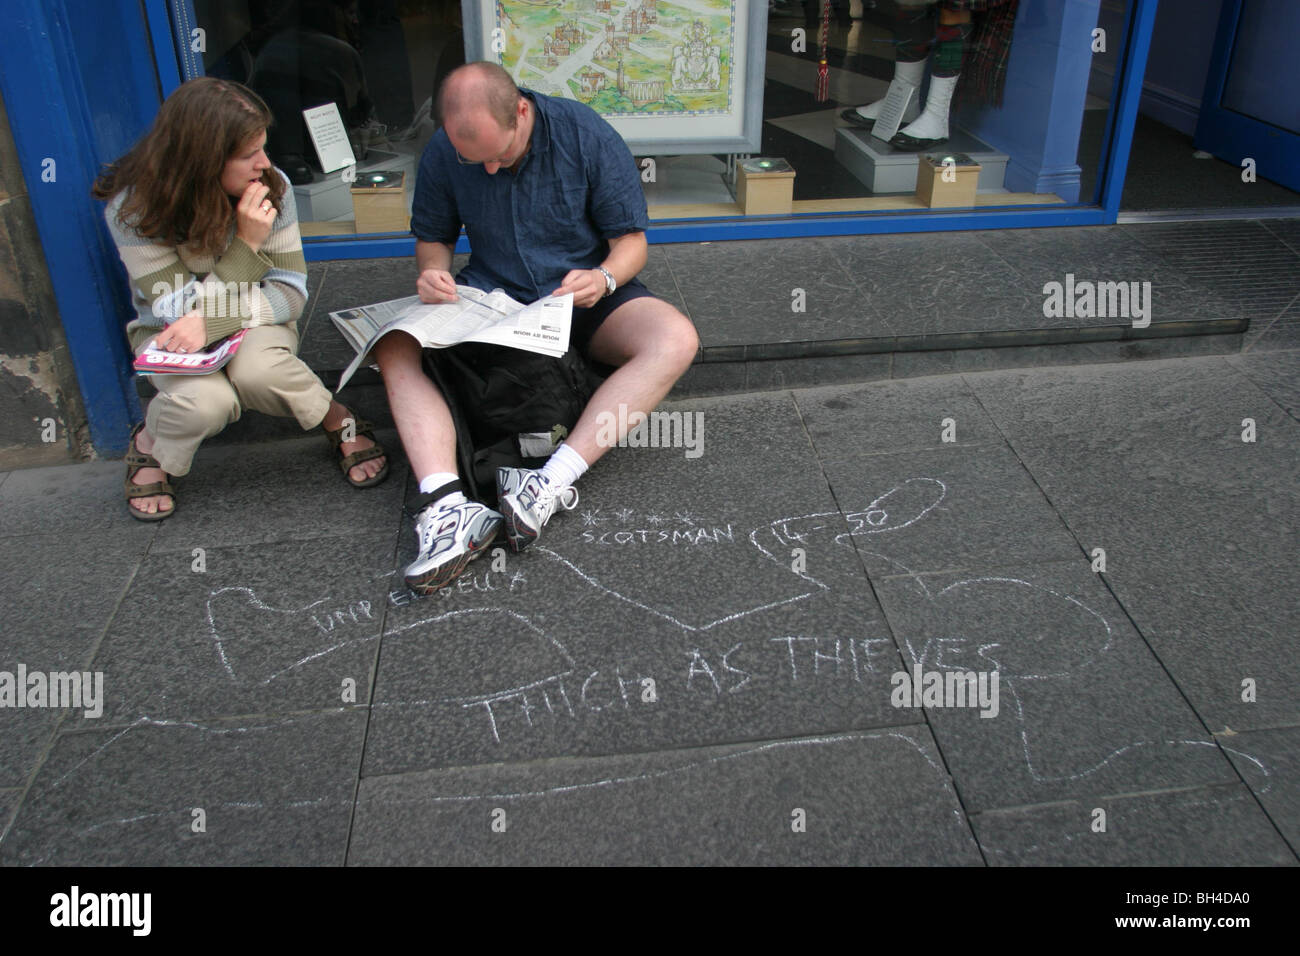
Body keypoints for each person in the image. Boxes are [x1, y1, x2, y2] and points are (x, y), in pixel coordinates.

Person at [374, 61, 699, 594]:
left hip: (580, 293)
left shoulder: (584, 133)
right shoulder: (444, 149)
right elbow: (433, 237)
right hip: (491, 293)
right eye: (475, 161)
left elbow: (632, 244)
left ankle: (547, 484)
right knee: (394, 345)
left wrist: (603, 278)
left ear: (521, 110)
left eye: (501, 155)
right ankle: (449, 507)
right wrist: (431, 272)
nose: (493, 170)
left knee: (675, 338)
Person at [94, 76, 388, 521]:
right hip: (170, 335)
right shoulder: (132, 208)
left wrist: (209, 322)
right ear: (203, 159)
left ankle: (333, 415)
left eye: (263, 148)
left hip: (258, 321)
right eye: (249, 154)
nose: (264, 164)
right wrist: (247, 246)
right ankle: (150, 443)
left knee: (261, 372)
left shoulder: (275, 187)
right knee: (205, 403)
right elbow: (174, 311)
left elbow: (289, 295)